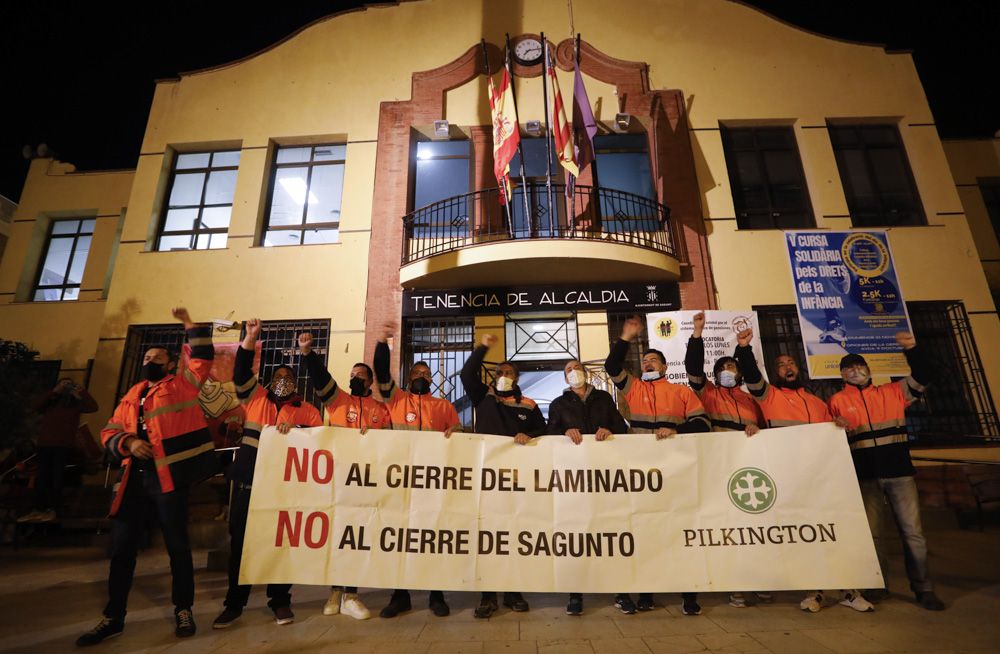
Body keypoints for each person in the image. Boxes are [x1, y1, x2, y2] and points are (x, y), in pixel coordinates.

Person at [77, 308, 219, 646]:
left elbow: (201, 357)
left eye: (157, 357)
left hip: (168, 481)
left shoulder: (183, 385)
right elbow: (109, 430)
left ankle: (183, 609)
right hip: (132, 481)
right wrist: (128, 441)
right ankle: (113, 617)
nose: (149, 360)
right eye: (147, 356)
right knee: (122, 549)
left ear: (170, 364)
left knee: (177, 548)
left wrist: (188, 324)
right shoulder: (132, 394)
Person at [733, 326, 871, 614]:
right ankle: (815, 592)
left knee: (833, 532)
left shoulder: (818, 402)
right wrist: (744, 348)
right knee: (806, 535)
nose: (787, 367)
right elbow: (751, 375)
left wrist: (840, 426)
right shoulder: (769, 396)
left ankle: (848, 590)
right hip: (788, 478)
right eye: (781, 365)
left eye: (791, 363)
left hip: (821, 478)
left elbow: (832, 435)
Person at [212, 319, 323, 629]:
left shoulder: (308, 411)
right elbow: (240, 373)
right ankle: (234, 603)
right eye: (278, 376)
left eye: (288, 377)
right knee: (241, 545)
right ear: (270, 381)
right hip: (249, 484)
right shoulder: (255, 398)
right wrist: (250, 338)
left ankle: (280, 601)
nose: (283, 380)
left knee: (281, 545)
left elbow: (319, 445)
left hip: (285, 490)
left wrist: (299, 431)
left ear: (296, 383)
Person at [827, 332, 945, 611]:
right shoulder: (837, 401)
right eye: (849, 368)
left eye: (860, 366)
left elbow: (926, 373)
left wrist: (912, 349)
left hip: (900, 474)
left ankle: (924, 588)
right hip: (866, 477)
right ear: (843, 375)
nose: (855, 371)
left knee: (913, 533)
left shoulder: (894, 392)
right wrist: (835, 423)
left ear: (869, 370)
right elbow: (829, 436)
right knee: (874, 535)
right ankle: (877, 587)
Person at [605, 316, 709, 616]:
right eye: (646, 360)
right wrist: (625, 338)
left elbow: (702, 424)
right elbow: (613, 368)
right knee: (644, 533)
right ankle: (647, 593)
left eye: (654, 360)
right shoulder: (633, 388)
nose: (649, 363)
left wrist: (676, 432)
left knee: (679, 533)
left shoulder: (681, 392)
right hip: (640, 474)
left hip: (674, 472)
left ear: (664, 367)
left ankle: (689, 595)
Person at [299, 330, 391, 620]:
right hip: (336, 480)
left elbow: (391, 445)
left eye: (360, 375)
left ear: (370, 381)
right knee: (336, 536)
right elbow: (321, 378)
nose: (355, 378)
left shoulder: (381, 410)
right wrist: (307, 353)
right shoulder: (337, 401)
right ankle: (335, 591)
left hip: (365, 483)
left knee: (356, 536)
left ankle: (351, 593)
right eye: (352, 374)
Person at [374, 322, 460, 619]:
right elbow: (381, 374)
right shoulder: (396, 399)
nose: (422, 377)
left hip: (432, 483)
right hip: (400, 482)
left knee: (432, 538)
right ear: (408, 378)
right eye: (417, 374)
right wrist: (383, 344)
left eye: (426, 374)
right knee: (400, 539)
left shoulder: (443, 405)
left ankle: (436, 595)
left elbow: (460, 440)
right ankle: (400, 596)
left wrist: (456, 437)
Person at [684, 312, 768, 608]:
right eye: (722, 368)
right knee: (728, 529)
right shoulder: (708, 393)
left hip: (750, 472)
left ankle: (757, 578)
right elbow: (693, 369)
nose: (727, 371)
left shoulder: (751, 399)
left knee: (755, 528)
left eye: (732, 366)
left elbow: (766, 430)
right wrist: (697, 333)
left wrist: (757, 429)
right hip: (719, 471)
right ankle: (735, 584)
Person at [460, 333, 546, 619]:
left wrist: (529, 434)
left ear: (517, 378)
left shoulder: (530, 404)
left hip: (518, 482)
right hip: (486, 480)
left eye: (509, 373)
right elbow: (467, 372)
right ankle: (487, 596)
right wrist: (483, 347)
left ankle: (512, 592)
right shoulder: (482, 395)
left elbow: (545, 434)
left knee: (513, 535)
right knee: (487, 537)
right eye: (499, 372)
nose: (504, 376)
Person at [546, 359, 634, 616]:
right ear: (565, 379)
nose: (573, 373)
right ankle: (575, 594)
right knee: (576, 535)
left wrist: (609, 429)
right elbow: (548, 435)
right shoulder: (558, 405)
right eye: (568, 371)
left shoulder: (604, 399)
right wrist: (564, 433)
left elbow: (621, 427)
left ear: (586, 373)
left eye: (576, 368)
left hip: (605, 477)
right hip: (574, 480)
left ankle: (620, 592)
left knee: (610, 533)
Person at [18, 378, 98, 524]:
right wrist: (55, 391)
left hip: (63, 445)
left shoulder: (76, 403)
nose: (67, 386)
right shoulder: (52, 401)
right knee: (41, 477)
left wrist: (80, 390)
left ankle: (52, 509)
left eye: (69, 383)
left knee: (56, 477)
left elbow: (93, 407)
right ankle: (38, 509)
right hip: (45, 444)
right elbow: (36, 406)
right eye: (64, 383)